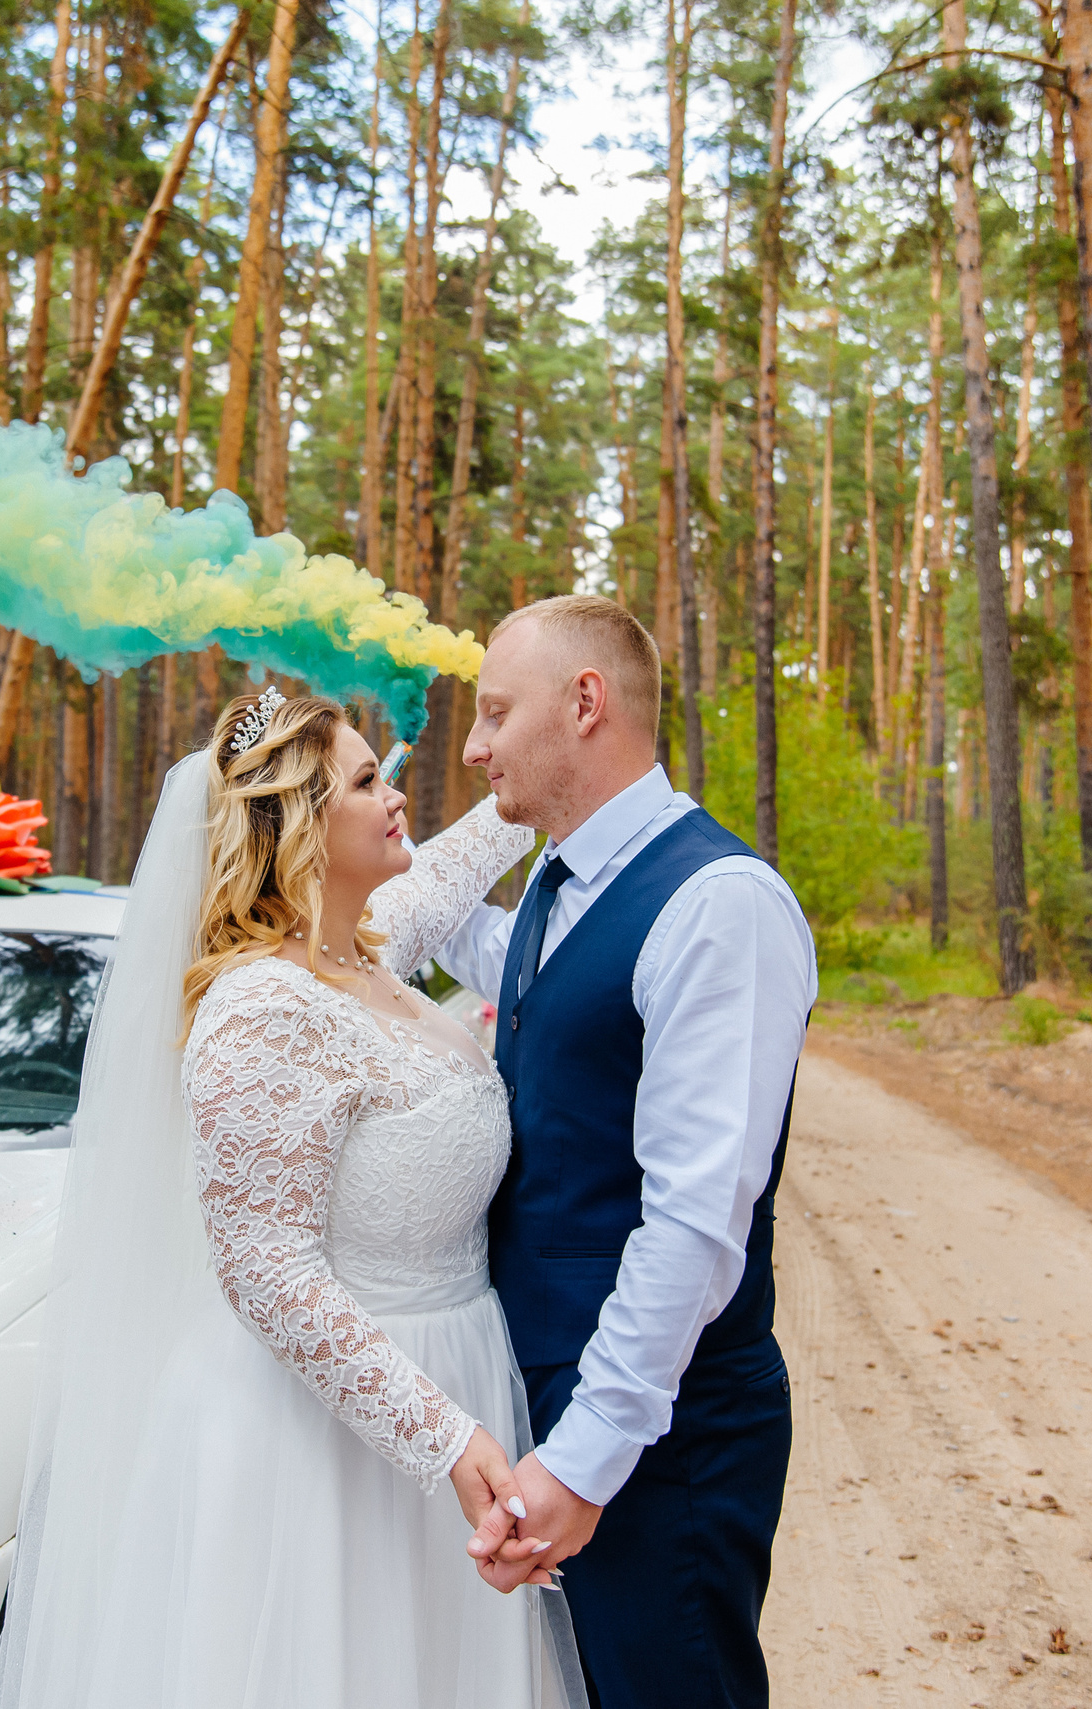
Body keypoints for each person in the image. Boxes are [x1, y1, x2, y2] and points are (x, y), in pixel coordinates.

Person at [0, 686, 584, 1709]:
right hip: (323, 1441)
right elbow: (264, 1268)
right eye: (364, 782)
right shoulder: (260, 1009)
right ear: (301, 827)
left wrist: (547, 754)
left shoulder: (371, 939)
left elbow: (466, 852)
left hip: (457, 1373)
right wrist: (443, 1436)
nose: (394, 798)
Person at [449, 595, 816, 1709]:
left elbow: (696, 1220)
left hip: (668, 1429)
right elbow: (498, 961)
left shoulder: (718, 903)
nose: (473, 748)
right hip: (566, 1403)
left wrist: (586, 1451)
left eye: (495, 713)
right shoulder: (563, 890)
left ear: (586, 703)